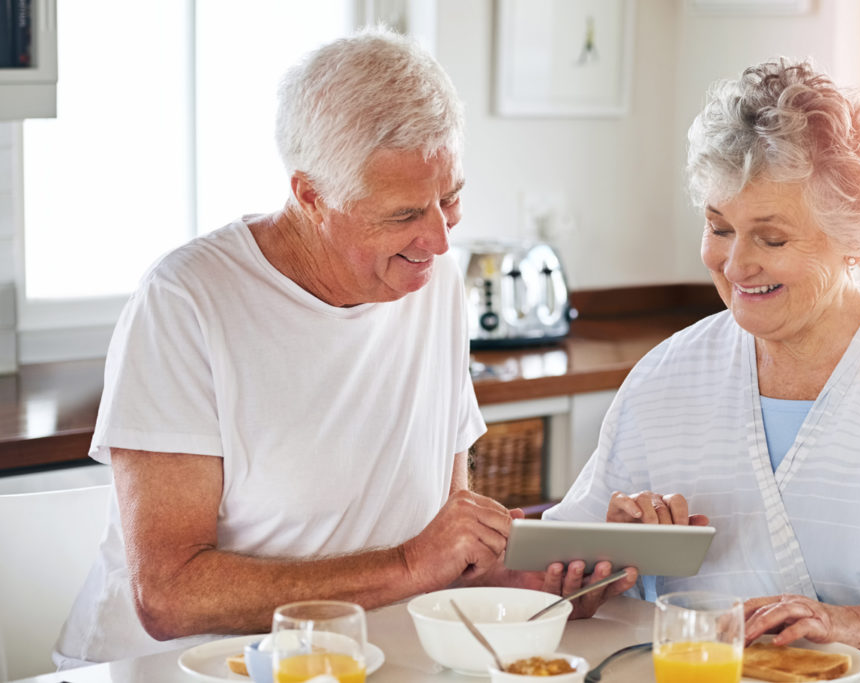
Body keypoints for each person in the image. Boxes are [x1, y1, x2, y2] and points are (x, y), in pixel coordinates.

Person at [54, 27, 635, 669]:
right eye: (404, 214)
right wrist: (412, 563)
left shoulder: (432, 282)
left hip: (359, 657)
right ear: (310, 196)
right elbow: (169, 596)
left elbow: (441, 554)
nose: (440, 241)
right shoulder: (188, 301)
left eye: (451, 199)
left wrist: (531, 591)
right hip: (182, 668)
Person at [543, 57, 860, 682]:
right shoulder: (667, 377)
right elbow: (567, 584)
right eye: (718, 228)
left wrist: (855, 623)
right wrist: (605, 569)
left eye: (771, 239)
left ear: (853, 237)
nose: (735, 265)